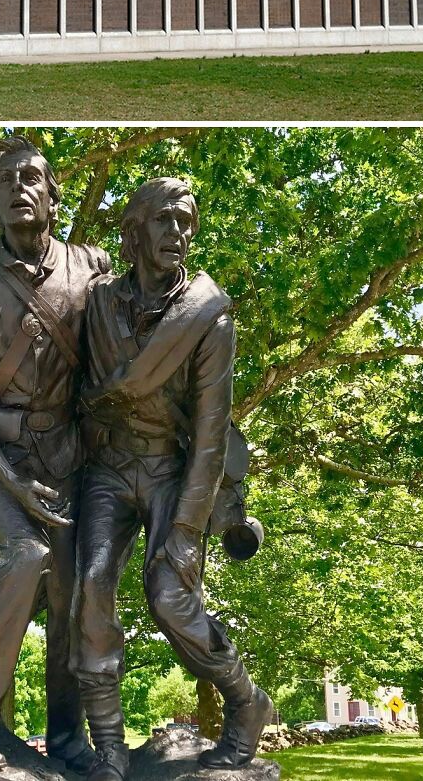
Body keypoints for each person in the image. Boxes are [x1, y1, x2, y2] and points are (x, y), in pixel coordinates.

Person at [71, 178, 273, 780]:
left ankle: (247, 704)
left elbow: (211, 436)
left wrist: (186, 529)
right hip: (107, 468)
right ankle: (107, 744)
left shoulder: (209, 317)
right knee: (91, 587)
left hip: (169, 473)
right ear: (133, 232)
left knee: (169, 599)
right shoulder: (99, 301)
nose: (177, 234)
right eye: (164, 221)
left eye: (186, 222)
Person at [0, 135, 111, 773]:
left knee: (74, 595)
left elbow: (124, 358)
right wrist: (9, 480)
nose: (17, 190)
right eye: (2, 182)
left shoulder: (92, 269)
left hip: (70, 453)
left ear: (54, 192)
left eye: (29, 177)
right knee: (23, 559)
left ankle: (67, 741)